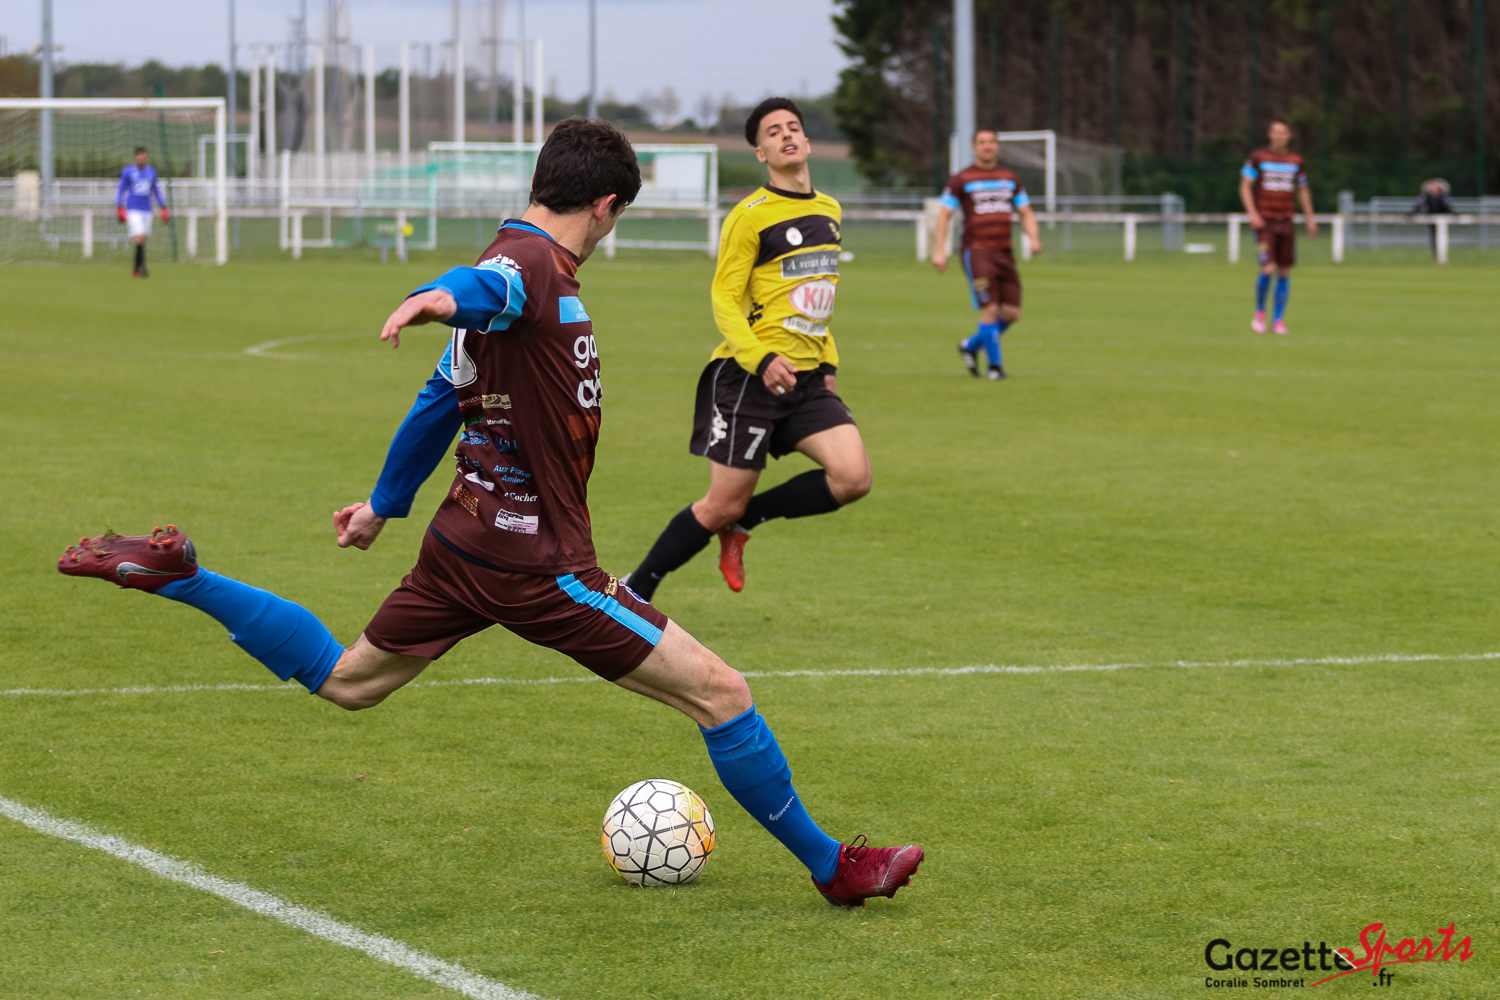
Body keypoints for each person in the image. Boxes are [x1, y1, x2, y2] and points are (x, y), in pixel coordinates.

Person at [57, 118, 921, 909]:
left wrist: (384, 505)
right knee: (722, 694)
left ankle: (184, 577)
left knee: (348, 681)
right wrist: (435, 297)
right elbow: (481, 287)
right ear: (605, 205)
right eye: (616, 217)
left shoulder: (518, 258)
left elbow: (440, 396)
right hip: (538, 564)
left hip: (462, 542)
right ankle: (833, 868)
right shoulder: (532, 267)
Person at [624, 98, 871, 602]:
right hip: (749, 378)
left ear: (806, 141)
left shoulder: (829, 210)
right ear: (761, 153)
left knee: (853, 478)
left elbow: (819, 298)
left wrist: (828, 361)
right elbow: (724, 299)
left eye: (793, 127)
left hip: (807, 378)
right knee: (720, 504)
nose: (787, 135)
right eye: (773, 132)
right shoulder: (749, 217)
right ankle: (634, 589)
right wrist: (761, 358)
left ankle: (746, 521)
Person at [932, 130, 1043, 380]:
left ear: (997, 146)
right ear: (974, 147)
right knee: (990, 307)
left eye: (991, 142)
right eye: (982, 142)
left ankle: (970, 346)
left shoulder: (1010, 178)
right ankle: (995, 368)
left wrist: (1034, 238)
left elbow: (1025, 212)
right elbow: (944, 215)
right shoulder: (961, 179)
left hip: (1005, 252)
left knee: (1012, 313)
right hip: (977, 251)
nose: (987, 146)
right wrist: (939, 251)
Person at [1239, 120, 1316, 335]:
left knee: (1284, 270)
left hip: (1286, 221)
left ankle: (1278, 320)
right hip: (1265, 222)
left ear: (1289, 136)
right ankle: (1260, 313)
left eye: (1283, 133)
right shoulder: (1258, 157)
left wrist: (1310, 218)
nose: (1279, 137)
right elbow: (1245, 186)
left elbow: (1302, 190)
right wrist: (1252, 213)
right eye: (1275, 132)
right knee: (1268, 267)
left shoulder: (1296, 160)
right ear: (1269, 134)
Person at [116, 147, 169, 278]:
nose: (141, 159)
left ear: (146, 158)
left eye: (144, 157)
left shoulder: (151, 172)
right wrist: (120, 207)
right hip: (133, 210)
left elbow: (156, 191)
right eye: (139, 157)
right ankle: (141, 268)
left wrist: (163, 207)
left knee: (142, 240)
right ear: (135, 157)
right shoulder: (128, 172)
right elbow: (121, 190)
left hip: (147, 210)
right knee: (139, 237)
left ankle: (137, 269)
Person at [1414, 178, 1454, 258]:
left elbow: (1447, 207)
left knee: (1442, 237)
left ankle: (1441, 255)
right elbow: (1419, 206)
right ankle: (1436, 255)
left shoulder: (1443, 197)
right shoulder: (1426, 196)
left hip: (1442, 218)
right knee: (1433, 237)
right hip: (1430, 219)